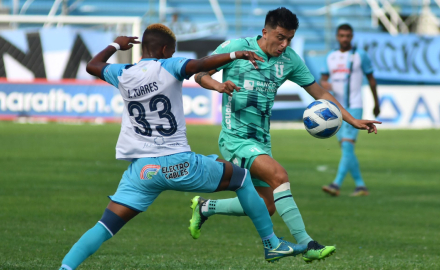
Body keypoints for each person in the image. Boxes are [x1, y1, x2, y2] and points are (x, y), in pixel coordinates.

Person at [58, 24, 306, 270]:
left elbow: (93, 66)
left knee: (105, 226)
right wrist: (235, 54)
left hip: (142, 171)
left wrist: (115, 45)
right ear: (166, 50)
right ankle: (271, 243)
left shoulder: (123, 73)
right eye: (173, 51)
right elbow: (200, 65)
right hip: (179, 164)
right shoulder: (170, 66)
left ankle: (66, 268)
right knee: (241, 178)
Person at [190, 8, 381, 263]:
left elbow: (320, 93)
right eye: (280, 37)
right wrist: (218, 85)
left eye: (289, 39)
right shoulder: (236, 48)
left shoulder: (289, 59)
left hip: (261, 141)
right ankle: (307, 243)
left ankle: (205, 207)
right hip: (235, 138)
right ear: (265, 32)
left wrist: (352, 120)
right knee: (280, 176)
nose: (284, 44)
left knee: (266, 206)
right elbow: (200, 73)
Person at [320, 24, 380, 197]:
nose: (344, 39)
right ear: (337, 37)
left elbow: (371, 80)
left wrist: (377, 103)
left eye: (347, 36)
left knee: (347, 146)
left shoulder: (360, 55)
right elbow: (323, 80)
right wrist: (326, 85)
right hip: (336, 108)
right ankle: (361, 186)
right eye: (341, 35)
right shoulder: (330, 57)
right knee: (347, 149)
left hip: (354, 106)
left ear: (352, 37)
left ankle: (336, 184)